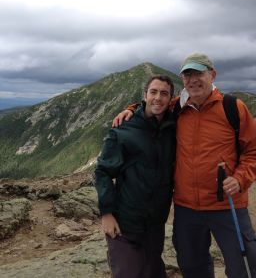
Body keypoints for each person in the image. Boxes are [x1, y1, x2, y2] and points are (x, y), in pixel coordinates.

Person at [113, 53, 256, 278]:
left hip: (227, 205)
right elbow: (153, 105)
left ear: (212, 75)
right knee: (192, 267)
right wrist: (132, 109)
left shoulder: (233, 108)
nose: (193, 80)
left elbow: (253, 151)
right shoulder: (178, 107)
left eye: (198, 73)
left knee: (244, 267)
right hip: (187, 207)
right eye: (187, 75)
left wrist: (240, 179)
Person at [95, 75, 176, 278]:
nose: (158, 98)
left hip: (155, 225)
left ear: (171, 99)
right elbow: (103, 171)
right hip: (125, 225)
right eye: (153, 92)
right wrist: (106, 213)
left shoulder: (173, 128)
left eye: (164, 93)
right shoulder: (123, 130)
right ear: (145, 96)